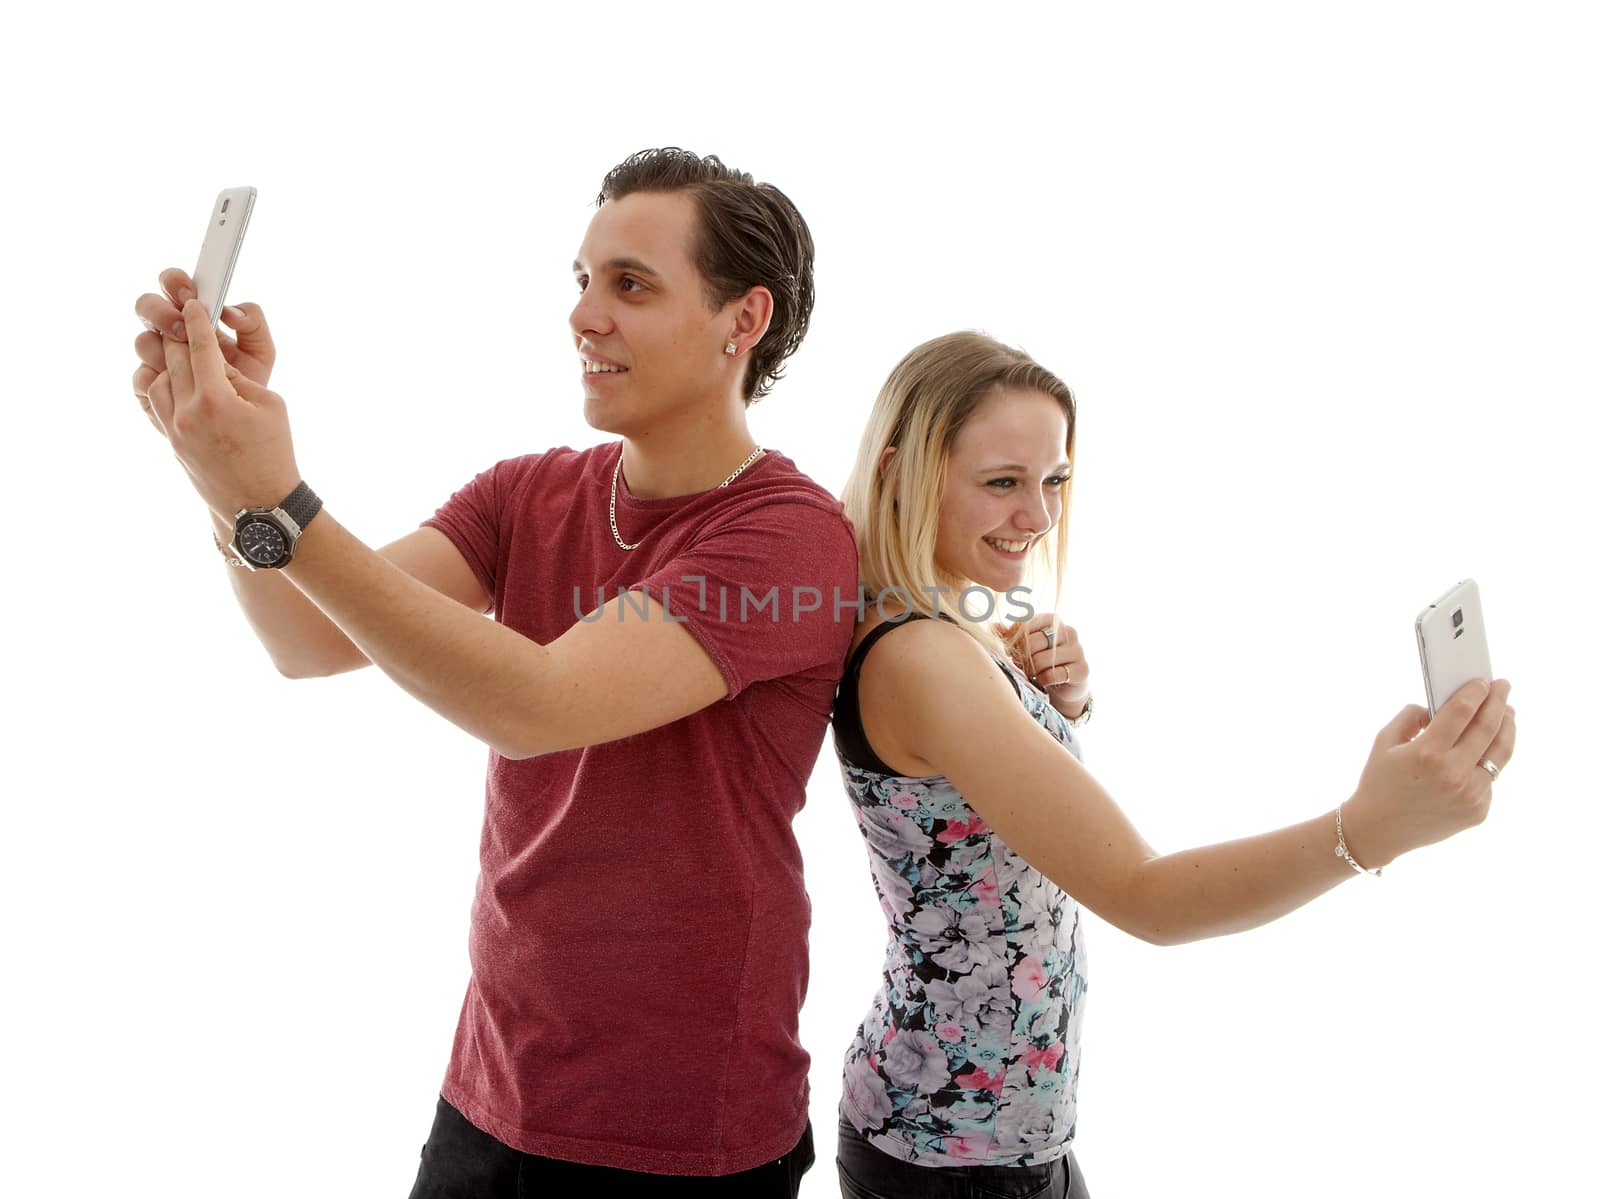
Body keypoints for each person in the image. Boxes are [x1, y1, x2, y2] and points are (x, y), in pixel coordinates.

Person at [129, 148, 859, 1195]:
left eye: (632, 285)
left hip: (679, 1127)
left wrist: (278, 497)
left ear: (743, 320)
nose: (584, 315)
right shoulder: (528, 493)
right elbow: (308, 639)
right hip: (492, 1088)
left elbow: (537, 703)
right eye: (582, 280)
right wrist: (220, 482)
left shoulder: (786, 536)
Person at [828, 331, 1517, 1198]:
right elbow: (1150, 897)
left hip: (991, 1133)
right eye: (1003, 481)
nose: (1039, 517)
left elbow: (961, 818)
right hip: (951, 1156)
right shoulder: (924, 656)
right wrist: (1369, 830)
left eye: (1055, 481)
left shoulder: (941, 626)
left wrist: (1049, 702)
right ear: (901, 471)